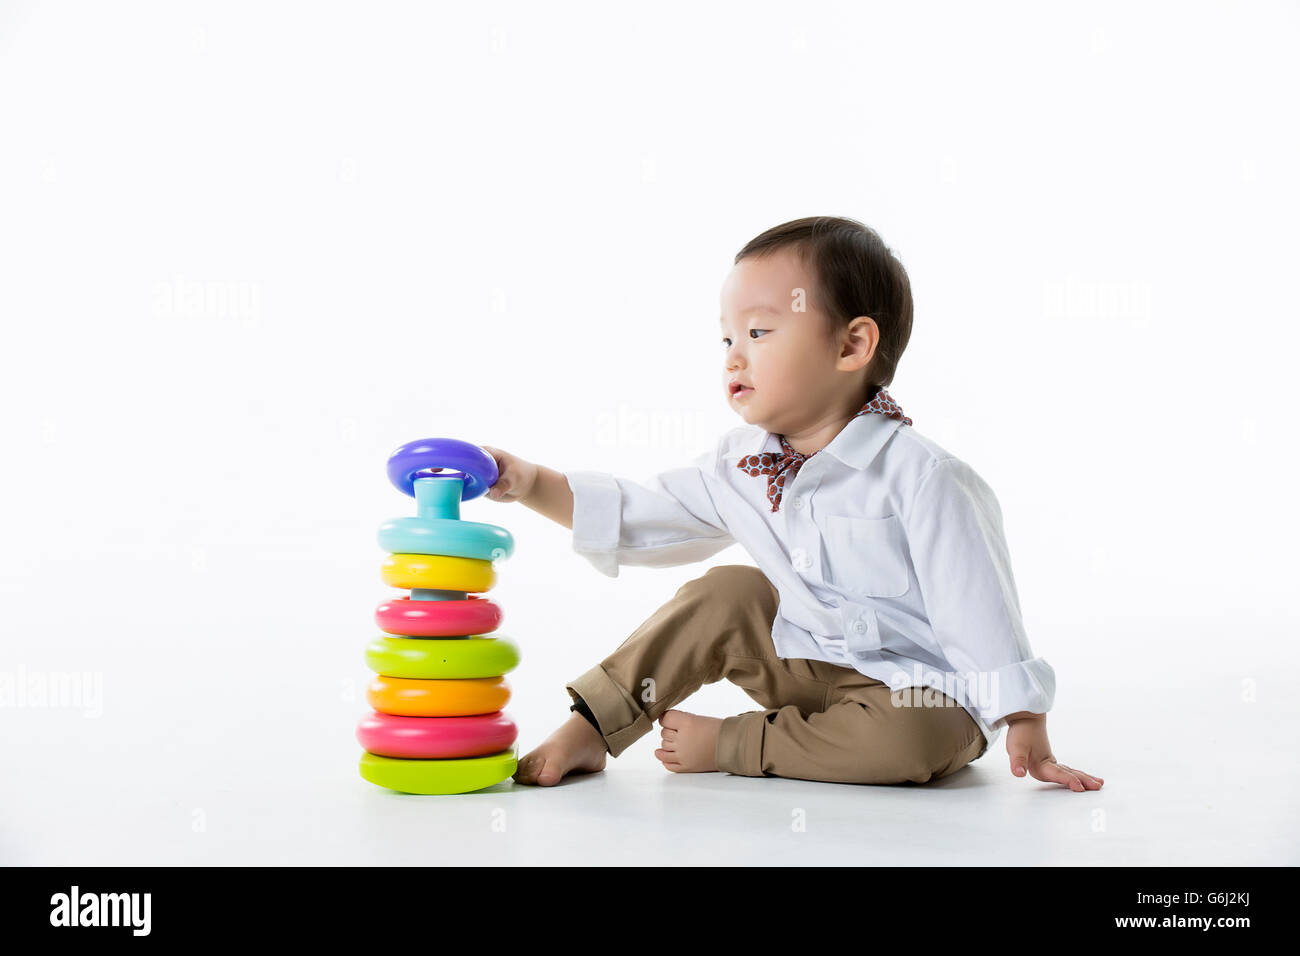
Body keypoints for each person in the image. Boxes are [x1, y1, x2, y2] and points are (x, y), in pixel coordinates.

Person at [485, 215, 1103, 791]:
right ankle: (596, 726)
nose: (733, 354)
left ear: (851, 347)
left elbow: (980, 607)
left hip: (917, 695)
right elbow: (639, 516)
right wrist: (531, 483)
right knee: (724, 590)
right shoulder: (741, 464)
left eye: (758, 332)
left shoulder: (924, 477)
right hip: (804, 663)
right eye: (727, 336)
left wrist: (1023, 717)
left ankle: (736, 745)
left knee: (917, 738)